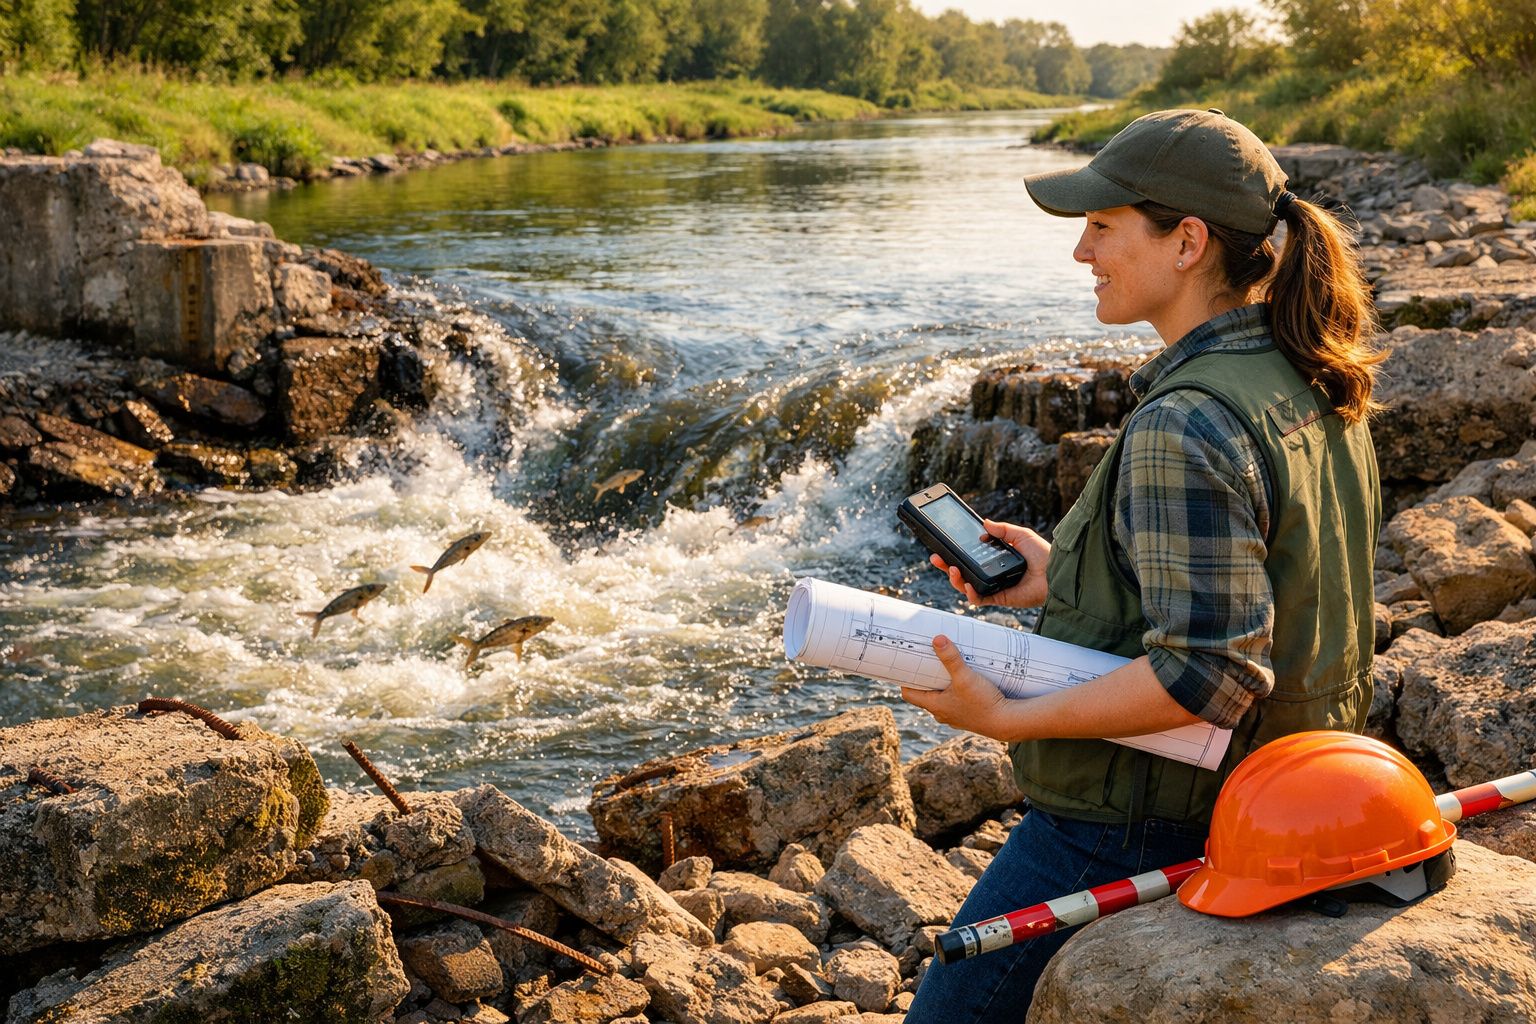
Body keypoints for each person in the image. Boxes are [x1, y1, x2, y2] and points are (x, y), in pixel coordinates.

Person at [902, 108, 1385, 1020]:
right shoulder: (1310, 370)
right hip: (1293, 789)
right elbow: (1284, 576)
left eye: (1101, 227)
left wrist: (1011, 719)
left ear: (1188, 242)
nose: (1081, 254)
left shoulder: (1187, 419)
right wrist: (1071, 572)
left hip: (1136, 820)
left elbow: (1211, 674)